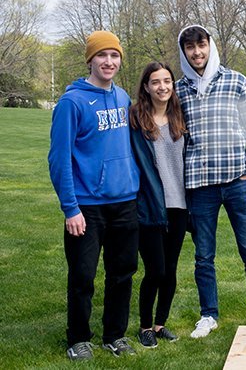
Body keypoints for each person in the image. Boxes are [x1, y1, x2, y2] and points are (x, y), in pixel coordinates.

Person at [48, 30, 139, 360]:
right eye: (102, 55)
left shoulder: (123, 97)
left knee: (123, 273)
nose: (109, 61)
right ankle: (78, 339)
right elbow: (59, 159)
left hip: (125, 202)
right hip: (87, 207)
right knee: (83, 276)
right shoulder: (72, 103)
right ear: (90, 59)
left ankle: (115, 335)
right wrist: (71, 208)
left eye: (114, 56)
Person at [175, 25, 246, 338]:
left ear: (210, 46)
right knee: (204, 255)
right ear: (184, 52)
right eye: (190, 47)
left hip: (236, 182)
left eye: (201, 45)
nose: (197, 52)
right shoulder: (178, 90)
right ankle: (208, 315)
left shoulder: (236, 80)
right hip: (200, 186)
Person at [129, 62, 188, 348]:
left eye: (167, 81)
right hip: (150, 206)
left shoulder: (180, 117)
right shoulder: (136, 120)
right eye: (156, 82)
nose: (162, 86)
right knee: (155, 270)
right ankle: (144, 327)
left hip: (179, 206)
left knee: (171, 269)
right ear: (146, 87)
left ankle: (160, 323)